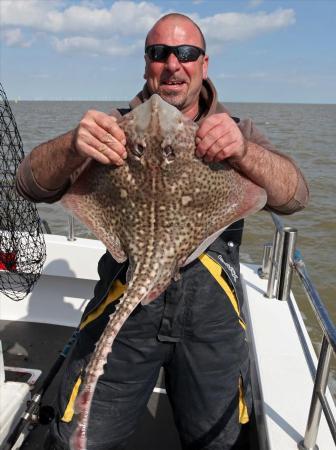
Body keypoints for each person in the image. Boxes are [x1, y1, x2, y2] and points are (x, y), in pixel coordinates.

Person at [16, 13, 309, 450]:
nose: (173, 63)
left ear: (203, 65)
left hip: (212, 316)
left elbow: (295, 196)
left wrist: (242, 151)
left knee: (219, 440)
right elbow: (29, 184)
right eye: (159, 53)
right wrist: (74, 143)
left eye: (186, 53)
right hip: (126, 295)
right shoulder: (114, 130)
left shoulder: (234, 130)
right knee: (80, 436)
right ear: (146, 64)